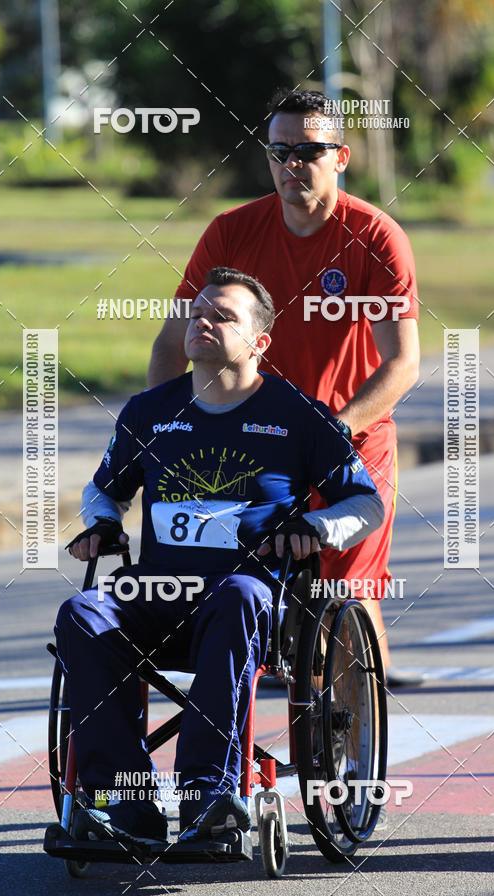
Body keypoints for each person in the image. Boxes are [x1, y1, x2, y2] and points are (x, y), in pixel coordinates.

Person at [56, 267, 384, 850]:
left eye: (223, 316)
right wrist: (102, 522)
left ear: (260, 342)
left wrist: (315, 527)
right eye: (197, 313)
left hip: (247, 599)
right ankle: (120, 805)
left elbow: (366, 504)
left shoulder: (298, 415)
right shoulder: (148, 411)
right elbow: (104, 489)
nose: (202, 322)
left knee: (238, 595)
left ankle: (209, 797)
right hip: (156, 595)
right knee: (82, 613)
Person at [147, 88, 422, 687]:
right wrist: (163, 430)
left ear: (340, 157)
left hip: (350, 440)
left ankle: (353, 728)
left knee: (345, 595)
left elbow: (402, 363)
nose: (291, 163)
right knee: (242, 592)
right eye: (278, 151)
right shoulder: (231, 232)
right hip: (252, 444)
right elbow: (172, 342)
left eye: (308, 151)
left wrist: (332, 433)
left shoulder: (375, 237)